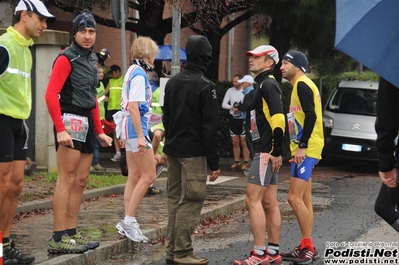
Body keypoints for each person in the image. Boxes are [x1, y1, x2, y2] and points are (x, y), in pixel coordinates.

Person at [45, 11, 113, 254]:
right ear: (75, 33)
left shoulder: (92, 60)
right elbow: (51, 94)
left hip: (86, 121)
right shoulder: (66, 59)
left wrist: (100, 131)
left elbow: (93, 99)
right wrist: (60, 129)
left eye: (91, 31)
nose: (87, 36)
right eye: (83, 31)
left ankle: (71, 234)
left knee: (81, 181)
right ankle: (57, 237)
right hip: (69, 119)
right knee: (67, 179)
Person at [0, 1, 55, 264]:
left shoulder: (28, 49)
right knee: (1, 184)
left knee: (16, 185)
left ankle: (5, 244)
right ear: (25, 16)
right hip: (1, 120)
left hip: (19, 124)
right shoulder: (5, 46)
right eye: (41, 20)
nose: (44, 25)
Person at [163, 35, 220, 265]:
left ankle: (171, 250)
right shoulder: (207, 87)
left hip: (173, 150)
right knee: (192, 199)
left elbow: (166, 117)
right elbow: (211, 128)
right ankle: (183, 253)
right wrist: (214, 162)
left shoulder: (173, 82)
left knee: (174, 200)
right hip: (193, 152)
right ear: (207, 57)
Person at [233, 45, 285, 265]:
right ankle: (272, 253)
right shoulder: (262, 84)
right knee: (269, 202)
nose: (251, 60)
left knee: (252, 200)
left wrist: (275, 151)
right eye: (251, 57)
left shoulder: (268, 84)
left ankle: (259, 254)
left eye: (257, 57)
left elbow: (279, 119)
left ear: (269, 62)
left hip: (265, 151)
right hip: (266, 150)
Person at [279, 50, 324, 264]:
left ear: (298, 67)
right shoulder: (301, 85)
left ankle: (309, 246)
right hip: (307, 148)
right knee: (305, 199)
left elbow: (312, 116)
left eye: (286, 63)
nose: (281, 66)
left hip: (306, 149)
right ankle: (306, 246)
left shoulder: (302, 84)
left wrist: (302, 146)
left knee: (293, 198)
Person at [113, 36, 159, 243]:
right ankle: (129, 221)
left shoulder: (131, 71)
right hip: (135, 128)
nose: (154, 58)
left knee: (134, 176)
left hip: (128, 128)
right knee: (149, 176)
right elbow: (134, 107)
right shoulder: (140, 74)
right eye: (153, 54)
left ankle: (127, 220)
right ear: (148, 54)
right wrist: (141, 136)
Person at [374, 78, 399, 232]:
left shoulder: (394, 62)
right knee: (383, 205)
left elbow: (387, 115)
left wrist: (386, 163)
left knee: (384, 205)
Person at [222, 74, 251, 173]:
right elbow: (224, 104)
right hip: (233, 118)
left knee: (244, 141)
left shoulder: (245, 91)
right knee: (235, 142)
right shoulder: (230, 91)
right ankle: (237, 161)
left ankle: (246, 162)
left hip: (242, 119)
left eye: (236, 81)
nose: (234, 83)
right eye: (233, 81)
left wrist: (240, 108)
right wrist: (232, 107)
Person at [235, 74, 256, 166]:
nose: (241, 85)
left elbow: (246, 107)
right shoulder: (254, 92)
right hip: (254, 122)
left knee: (251, 144)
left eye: (243, 83)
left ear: (248, 83)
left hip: (249, 122)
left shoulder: (248, 94)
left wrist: (238, 106)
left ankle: (255, 166)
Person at [105, 64, 124, 162]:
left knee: (123, 131)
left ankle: (124, 152)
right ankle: (118, 152)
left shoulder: (124, 80)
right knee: (115, 131)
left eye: (113, 73)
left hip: (121, 109)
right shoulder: (111, 81)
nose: (112, 75)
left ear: (118, 72)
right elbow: (104, 93)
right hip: (111, 109)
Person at [91, 66, 107, 171]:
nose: (101, 74)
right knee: (94, 142)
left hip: (101, 117)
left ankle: (94, 162)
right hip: (94, 117)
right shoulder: (93, 85)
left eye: (102, 72)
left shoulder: (101, 84)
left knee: (97, 142)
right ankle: (93, 163)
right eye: (99, 72)